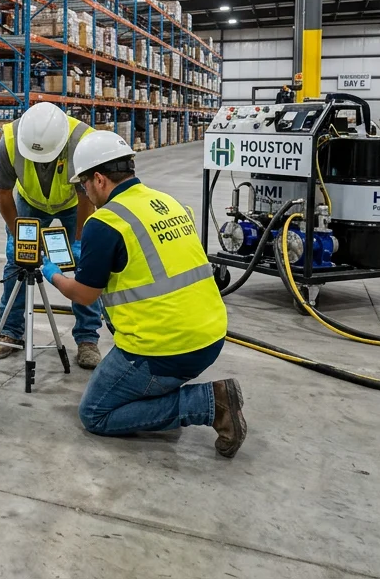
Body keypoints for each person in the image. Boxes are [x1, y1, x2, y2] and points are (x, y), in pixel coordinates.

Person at [40, 130, 247, 457]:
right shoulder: (168, 202)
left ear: (99, 179)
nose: (85, 194)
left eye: (83, 186)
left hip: (164, 348)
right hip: (210, 335)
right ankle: (171, 396)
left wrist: (50, 271)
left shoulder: (105, 221)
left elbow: (83, 295)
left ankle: (209, 402)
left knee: (95, 413)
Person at [0, 102, 104, 368]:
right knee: (19, 262)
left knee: (85, 264)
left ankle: (87, 338)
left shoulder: (82, 141)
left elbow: (86, 195)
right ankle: (11, 332)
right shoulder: (9, 141)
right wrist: (18, 233)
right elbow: (3, 193)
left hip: (73, 204)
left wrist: (78, 239)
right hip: (30, 202)